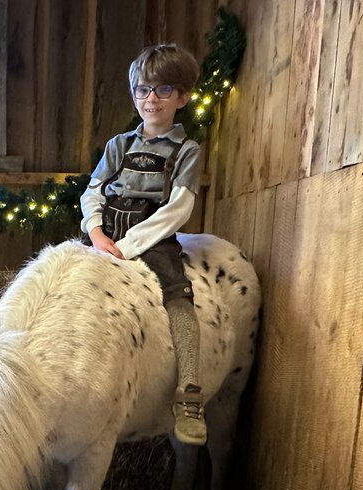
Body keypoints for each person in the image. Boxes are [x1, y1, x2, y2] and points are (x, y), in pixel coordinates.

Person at [79, 43, 206, 446]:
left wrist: (129, 247)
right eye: (143, 90)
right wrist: (98, 234)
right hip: (104, 235)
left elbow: (178, 208)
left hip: (151, 238)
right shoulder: (118, 145)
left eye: (163, 90)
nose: (151, 99)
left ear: (182, 97)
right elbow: (92, 192)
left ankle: (189, 394)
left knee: (178, 296)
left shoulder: (187, 151)